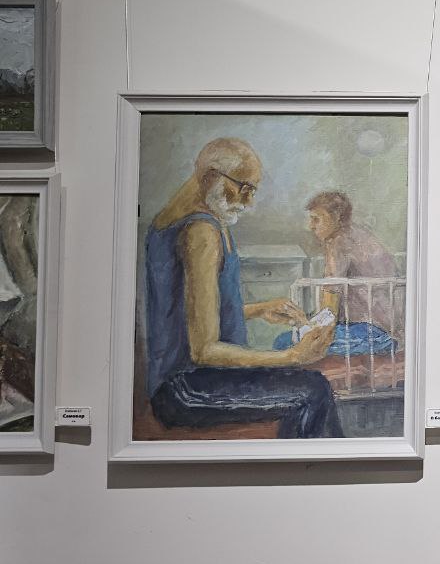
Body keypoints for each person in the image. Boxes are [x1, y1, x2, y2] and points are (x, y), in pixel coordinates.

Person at [144, 137, 343, 438]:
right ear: (212, 177)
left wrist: (258, 309)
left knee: (307, 383)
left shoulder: (179, 222)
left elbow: (189, 318)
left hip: (194, 379)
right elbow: (203, 350)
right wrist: (292, 356)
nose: (248, 202)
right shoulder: (201, 232)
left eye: (252, 191)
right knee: (313, 390)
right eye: (244, 188)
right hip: (185, 389)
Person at [273, 191, 398, 356]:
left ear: (336, 217)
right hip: (387, 328)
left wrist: (304, 323)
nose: (310, 226)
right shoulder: (357, 235)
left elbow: (329, 312)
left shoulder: (338, 243)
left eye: (316, 219)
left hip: (371, 332)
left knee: (284, 342)